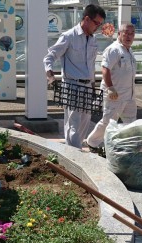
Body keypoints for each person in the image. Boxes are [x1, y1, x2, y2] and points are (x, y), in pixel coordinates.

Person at [43, 4, 106, 149]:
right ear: (87, 19)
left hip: (87, 87)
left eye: (100, 24)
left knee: (84, 123)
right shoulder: (69, 36)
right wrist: (50, 76)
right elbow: (49, 57)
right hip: (72, 85)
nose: (98, 27)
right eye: (97, 23)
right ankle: (73, 156)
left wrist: (93, 86)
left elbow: (90, 65)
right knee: (73, 124)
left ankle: (75, 152)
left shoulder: (93, 40)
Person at [85, 23, 137, 152]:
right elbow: (105, 69)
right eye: (126, 33)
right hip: (115, 94)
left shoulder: (129, 51)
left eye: (132, 33)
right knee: (109, 121)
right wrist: (110, 88)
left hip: (129, 95)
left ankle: (126, 146)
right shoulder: (114, 49)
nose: (129, 36)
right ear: (119, 34)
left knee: (130, 122)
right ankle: (92, 142)